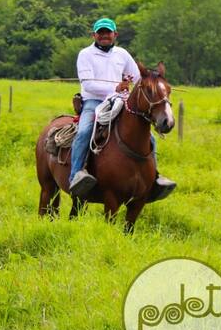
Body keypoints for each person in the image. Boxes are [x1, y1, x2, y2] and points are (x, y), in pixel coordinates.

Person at [69, 17, 176, 200]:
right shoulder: (85, 54)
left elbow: (137, 79)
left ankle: (154, 178)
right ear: (94, 35)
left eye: (108, 32)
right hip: (93, 101)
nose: (104, 36)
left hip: (120, 100)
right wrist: (115, 88)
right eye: (100, 32)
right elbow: (87, 84)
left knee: (149, 136)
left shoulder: (122, 54)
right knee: (85, 131)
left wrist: (151, 85)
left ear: (115, 35)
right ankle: (76, 175)